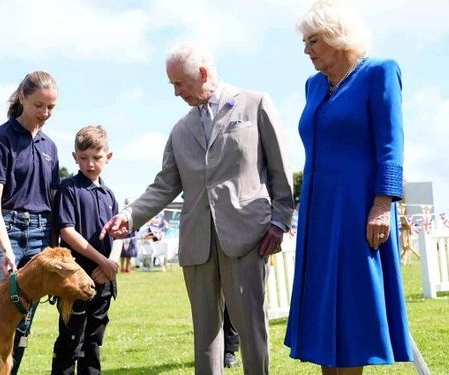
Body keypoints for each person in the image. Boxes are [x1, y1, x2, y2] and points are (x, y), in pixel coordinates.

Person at [100, 42, 293, 374]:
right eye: (172, 85)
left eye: (180, 83)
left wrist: (279, 222)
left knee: (251, 327)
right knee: (205, 333)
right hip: (197, 243)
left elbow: (280, 170)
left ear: (203, 74)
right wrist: (131, 216)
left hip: (248, 237)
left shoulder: (255, 104)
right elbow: (164, 183)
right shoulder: (179, 129)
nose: (176, 93)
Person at [284, 1, 414, 374]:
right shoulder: (313, 86)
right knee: (325, 317)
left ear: (336, 37)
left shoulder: (380, 72)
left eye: (312, 41)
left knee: (353, 313)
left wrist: (381, 206)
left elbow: (392, 146)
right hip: (318, 214)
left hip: (359, 212)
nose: (306, 50)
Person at [0, 71, 60, 374]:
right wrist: (6, 249)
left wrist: (55, 248)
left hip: (41, 236)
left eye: (51, 107)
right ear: (23, 97)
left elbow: (54, 202)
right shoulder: (0, 140)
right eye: (39, 105)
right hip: (7, 232)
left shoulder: (50, 147)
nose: (45, 113)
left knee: (22, 325)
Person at [51, 125, 119, 375]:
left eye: (96, 158)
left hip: (104, 280)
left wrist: (109, 266)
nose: (90, 164)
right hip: (75, 281)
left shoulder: (109, 195)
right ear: (74, 157)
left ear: (108, 157)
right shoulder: (69, 189)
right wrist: (101, 261)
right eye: (83, 158)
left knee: (93, 341)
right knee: (71, 340)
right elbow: (67, 231)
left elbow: (118, 234)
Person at [119, 198, 138, 272]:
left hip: (130, 235)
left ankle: (126, 268)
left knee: (128, 253)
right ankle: (123, 268)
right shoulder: (123, 212)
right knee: (123, 252)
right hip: (124, 235)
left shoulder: (132, 211)